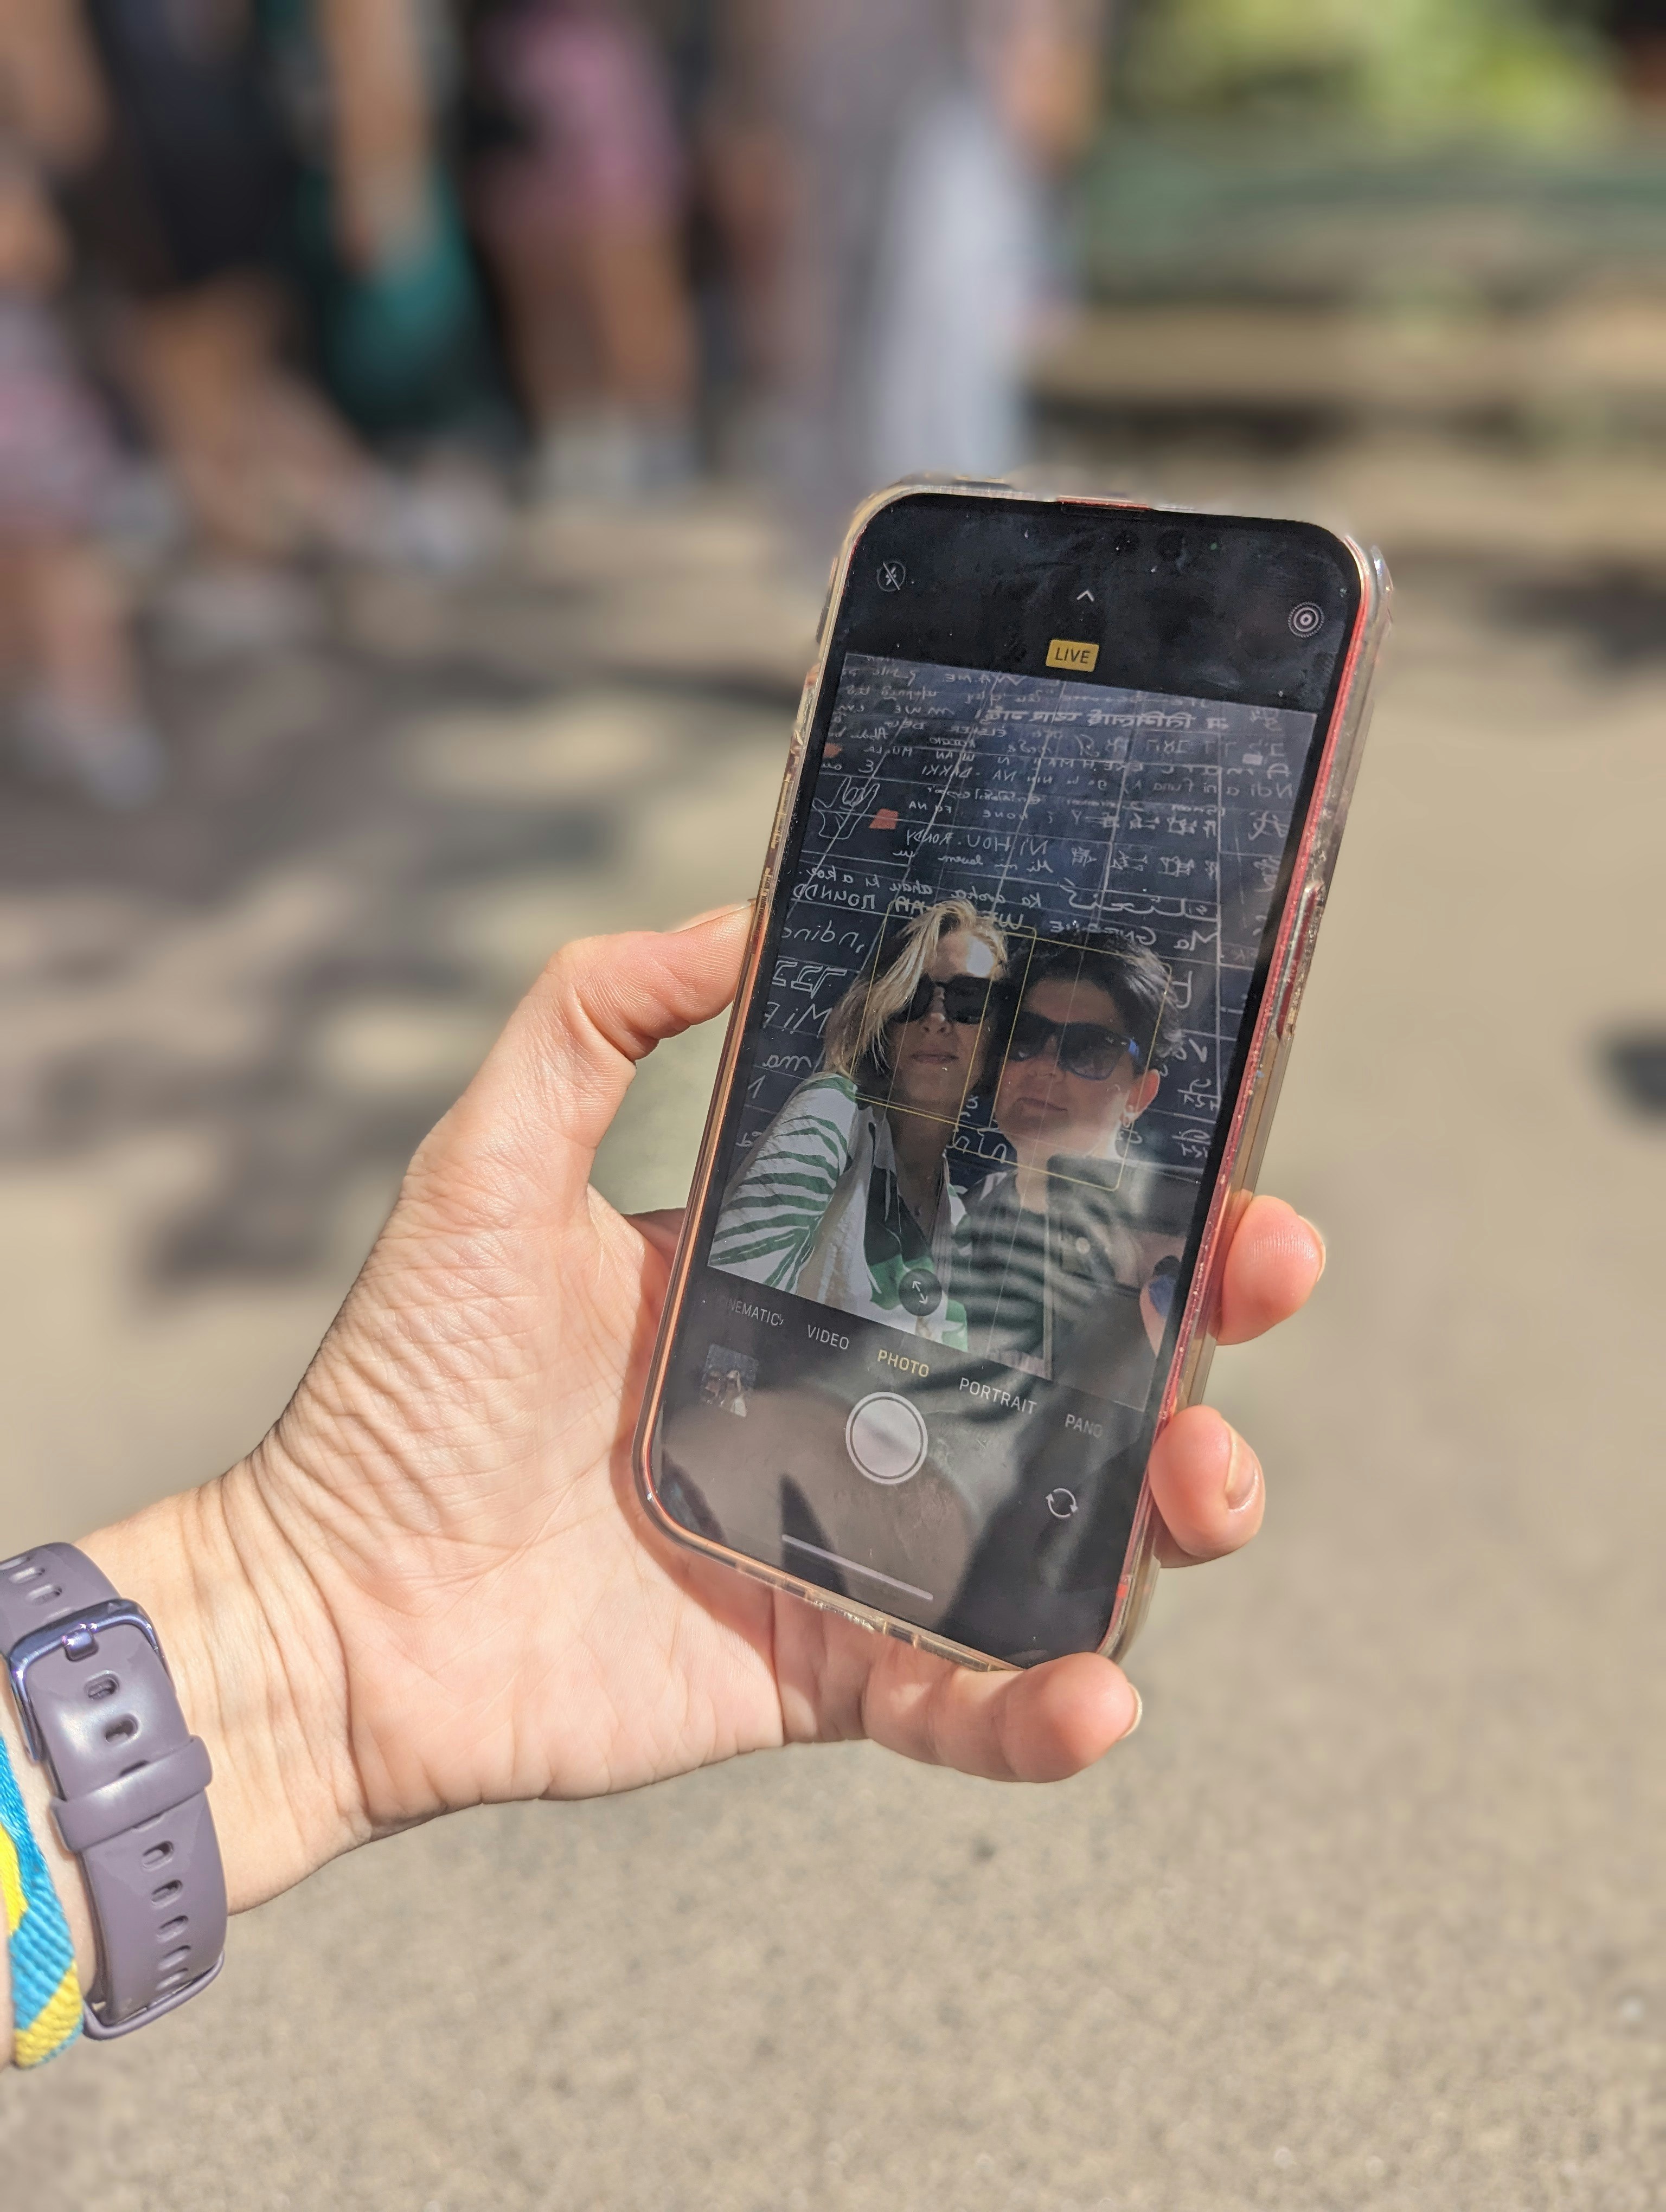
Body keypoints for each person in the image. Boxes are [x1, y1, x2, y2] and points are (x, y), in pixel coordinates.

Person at [0, 904, 1325, 2070]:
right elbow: (742, 1300)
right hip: (748, 1469)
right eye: (922, 989)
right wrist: (297, 1599)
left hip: (812, 1517)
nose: (950, 1020)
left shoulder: (969, 1199)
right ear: (875, 1009)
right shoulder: (834, 1122)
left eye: (973, 1000)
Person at [709, 898, 1008, 1345]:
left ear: (999, 1036)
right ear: (885, 1021)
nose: (935, 1019)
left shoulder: (958, 1222)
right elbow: (719, 1310)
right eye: (914, 998)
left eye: (969, 1001)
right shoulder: (833, 1117)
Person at [956, 936, 1183, 1393]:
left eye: (1089, 1050)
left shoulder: (1166, 1256)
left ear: (1140, 1094)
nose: (1043, 1066)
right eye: (1025, 1037)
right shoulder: (960, 1216)